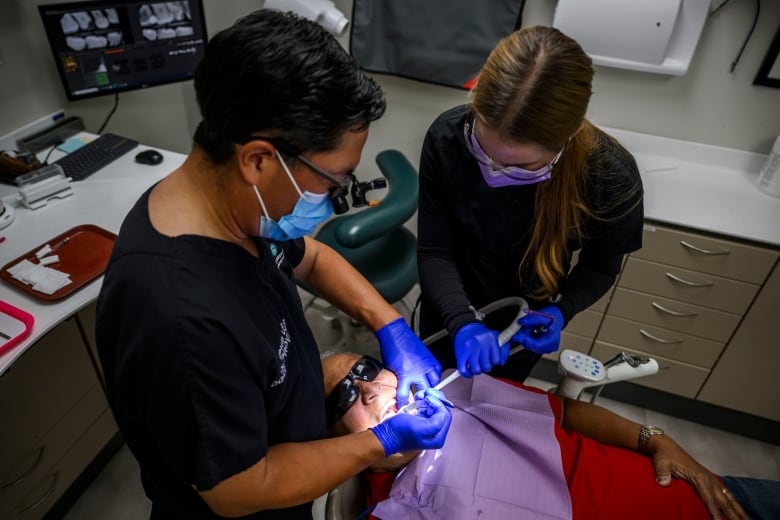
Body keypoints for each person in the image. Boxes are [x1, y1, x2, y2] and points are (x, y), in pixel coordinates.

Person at [95, 10, 451, 520]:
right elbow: (241, 487)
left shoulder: (236, 212)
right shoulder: (182, 317)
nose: (332, 201)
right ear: (258, 160)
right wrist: (383, 440)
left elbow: (314, 258)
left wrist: (391, 326)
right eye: (332, 183)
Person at [416, 25, 645, 383]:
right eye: (484, 152)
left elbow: (601, 268)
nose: (494, 172)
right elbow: (434, 251)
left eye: (521, 166)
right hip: (446, 309)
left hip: (523, 331)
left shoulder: (609, 178)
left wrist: (561, 311)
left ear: (565, 140)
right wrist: (460, 320)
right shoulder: (447, 138)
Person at [323, 353, 780, 520]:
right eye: (344, 396)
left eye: (364, 369)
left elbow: (568, 414)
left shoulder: (456, 388)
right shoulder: (390, 510)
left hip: (706, 498)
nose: (366, 387)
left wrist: (657, 439)